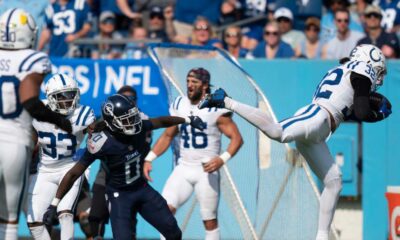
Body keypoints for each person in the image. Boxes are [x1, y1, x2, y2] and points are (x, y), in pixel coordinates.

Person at [199, 44, 392, 240]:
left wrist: (368, 107)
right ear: (369, 61)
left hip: (320, 127)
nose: (380, 77)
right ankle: (226, 101)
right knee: (277, 132)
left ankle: (322, 237)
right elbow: (361, 111)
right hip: (317, 117)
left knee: (334, 181)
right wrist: (376, 114)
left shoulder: (346, 70)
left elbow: (349, 107)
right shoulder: (362, 70)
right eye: (379, 70)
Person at [43, 94, 206, 240]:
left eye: (132, 117)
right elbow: (74, 173)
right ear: (113, 121)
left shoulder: (138, 128)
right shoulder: (100, 143)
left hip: (142, 188)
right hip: (119, 196)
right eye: (127, 119)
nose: (133, 122)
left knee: (174, 233)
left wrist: (188, 120)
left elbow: (161, 121)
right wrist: (54, 204)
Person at [143, 68, 243, 240]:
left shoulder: (216, 108)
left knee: (209, 220)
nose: (189, 85)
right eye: (188, 81)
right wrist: (149, 158)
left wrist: (222, 159)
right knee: (164, 213)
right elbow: (168, 135)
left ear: (205, 86)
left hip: (206, 171)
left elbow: (237, 138)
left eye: (194, 82)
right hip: (183, 167)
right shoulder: (179, 104)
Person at [0, 8, 72, 240]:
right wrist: (59, 120)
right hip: (14, 141)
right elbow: (30, 101)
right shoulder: (33, 59)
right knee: (10, 216)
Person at [26, 73, 95, 240]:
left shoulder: (84, 114)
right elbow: (30, 142)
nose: (67, 101)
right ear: (50, 98)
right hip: (45, 170)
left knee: (65, 214)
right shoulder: (36, 113)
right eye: (61, 97)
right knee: (34, 222)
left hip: (70, 168)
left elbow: (95, 139)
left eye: (71, 95)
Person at [89, 85, 151, 240]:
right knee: (95, 220)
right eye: (125, 100)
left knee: (128, 225)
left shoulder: (143, 121)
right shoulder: (105, 121)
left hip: (130, 181)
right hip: (106, 177)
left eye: (131, 100)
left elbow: (144, 149)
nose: (128, 103)